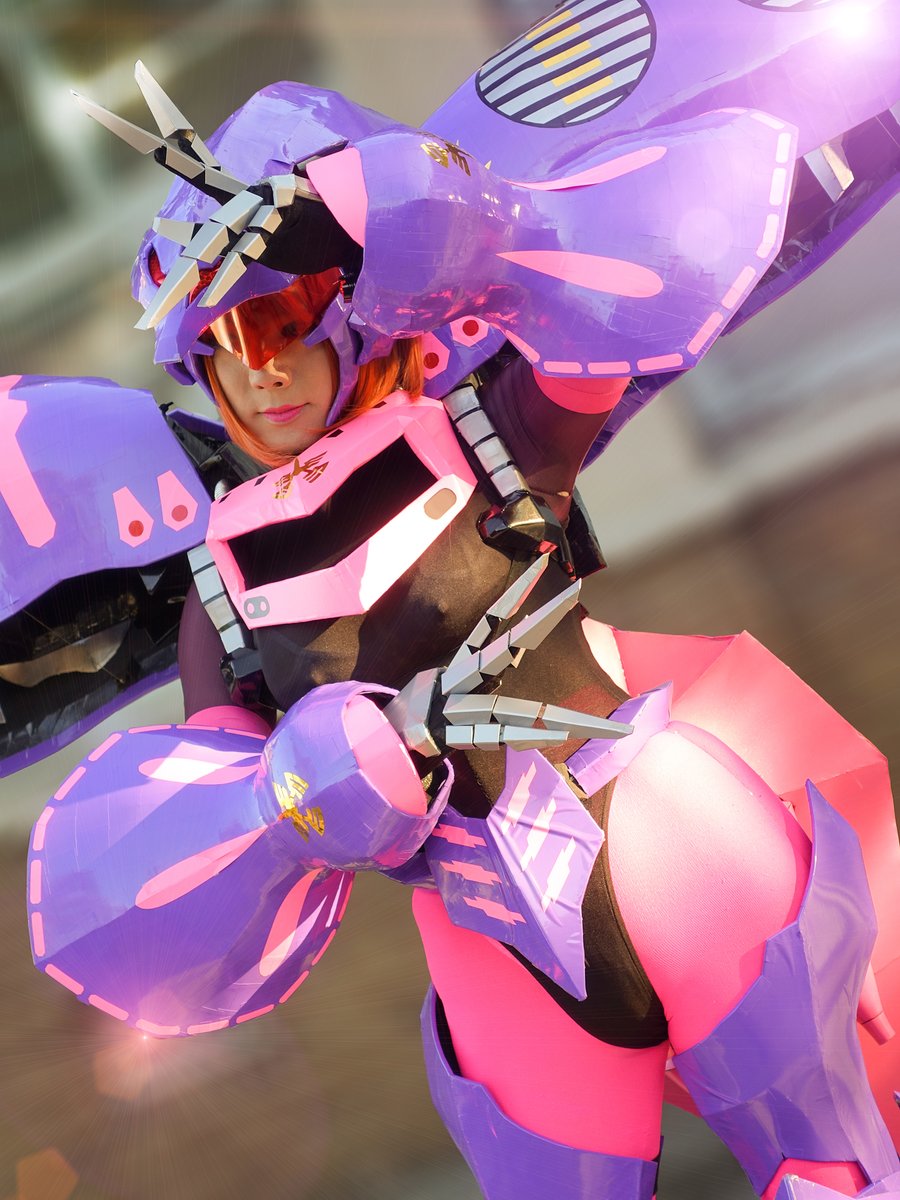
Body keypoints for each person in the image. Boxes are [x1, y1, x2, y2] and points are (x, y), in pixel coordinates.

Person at [28, 22, 900, 1200]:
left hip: (660, 827)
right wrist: (299, 796)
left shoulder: (480, 435)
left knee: (831, 1162)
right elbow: (208, 827)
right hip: (486, 934)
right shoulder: (220, 592)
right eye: (227, 342)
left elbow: (638, 287)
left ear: (346, 310)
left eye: (283, 320)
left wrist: (445, 224)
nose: (263, 367)